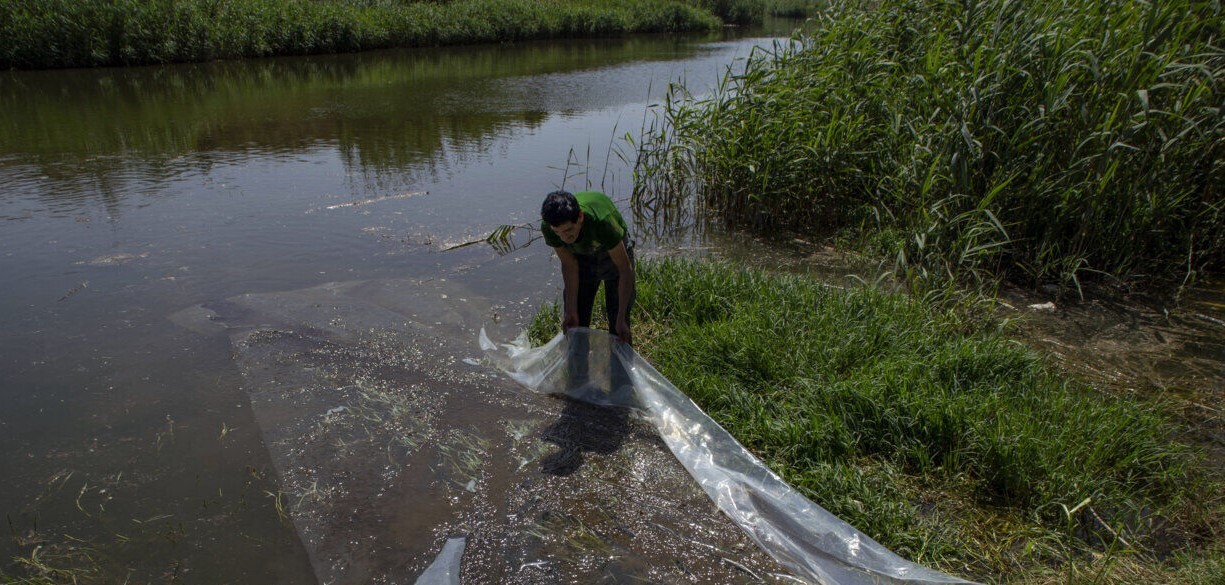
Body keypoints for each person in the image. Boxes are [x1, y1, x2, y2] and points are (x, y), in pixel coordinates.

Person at [540, 190, 635, 345]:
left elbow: (624, 269)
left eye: (568, 230)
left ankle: (619, 366)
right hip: (581, 258)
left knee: (618, 326)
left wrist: (621, 317)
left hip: (613, 255)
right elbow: (569, 265)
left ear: (580, 218)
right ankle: (577, 366)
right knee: (575, 323)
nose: (564, 238)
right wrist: (570, 310)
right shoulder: (549, 227)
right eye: (558, 233)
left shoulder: (602, 222)